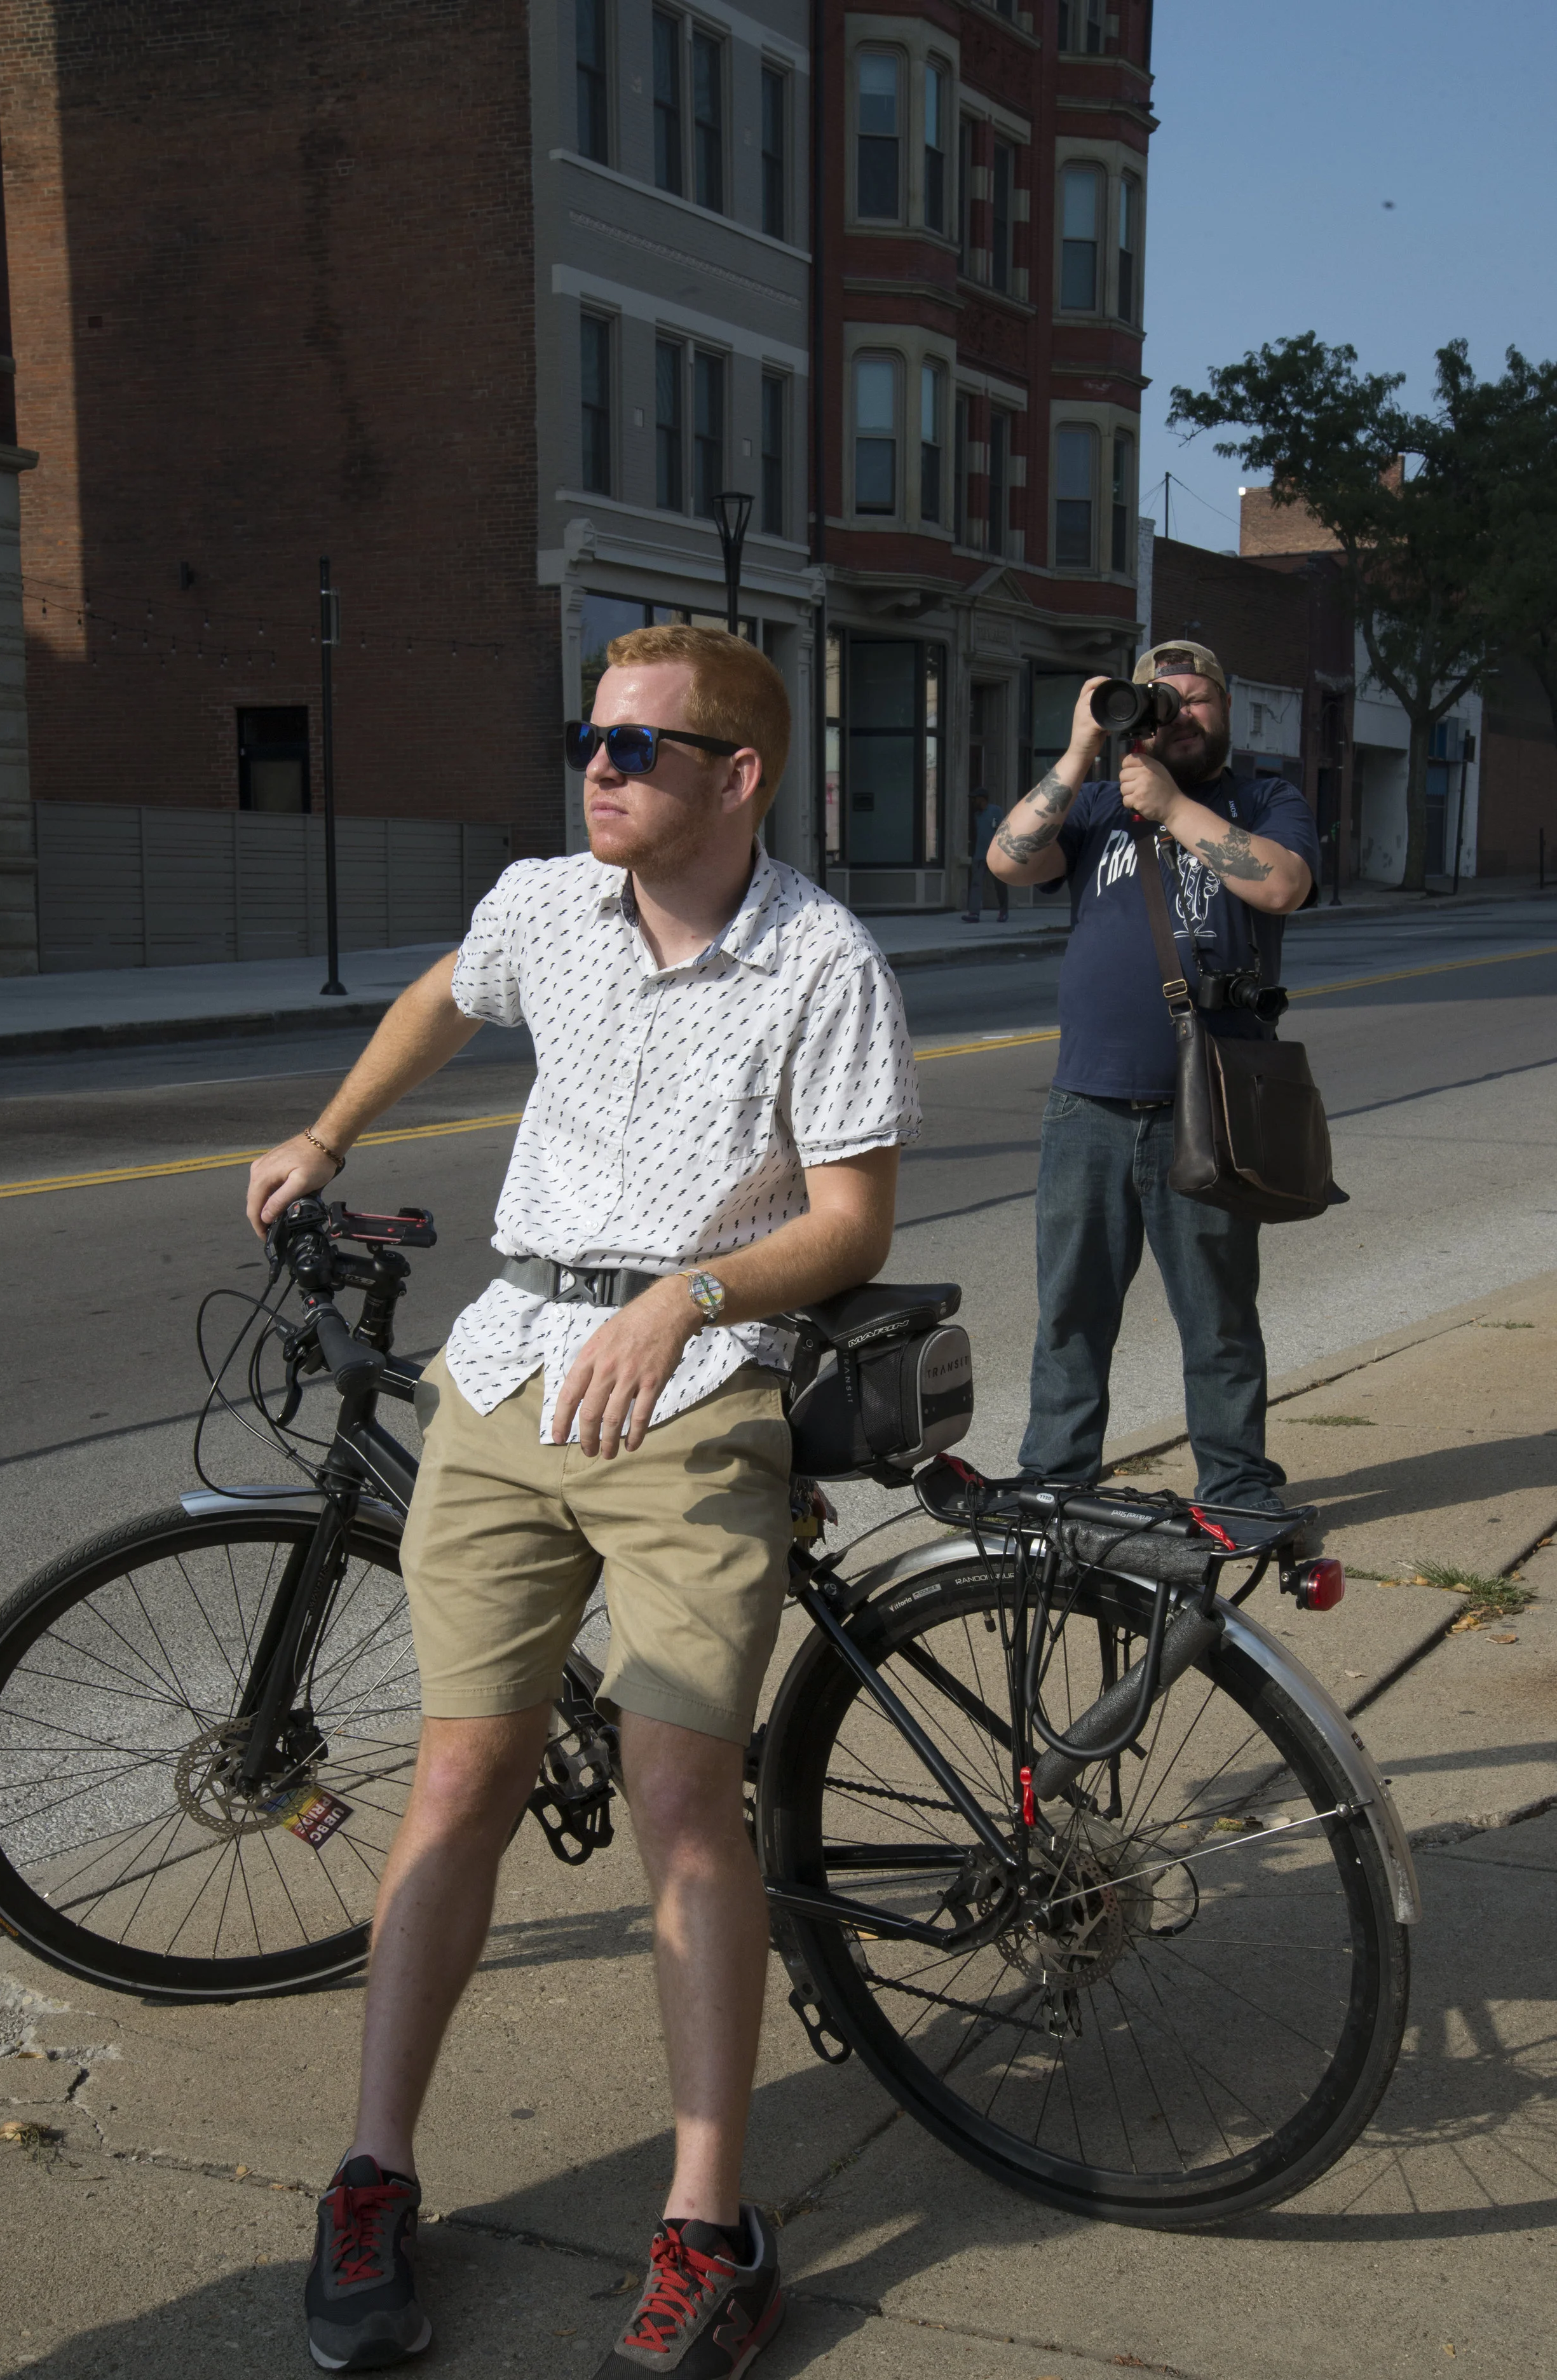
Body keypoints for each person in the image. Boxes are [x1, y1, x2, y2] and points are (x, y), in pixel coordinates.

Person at [244, 623, 920, 2377]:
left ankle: (709, 2224)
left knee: (677, 1790)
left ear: (736, 777)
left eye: (636, 746)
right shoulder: (546, 902)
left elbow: (850, 1221)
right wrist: (328, 1136)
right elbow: (436, 997)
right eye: (590, 736)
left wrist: (686, 1298)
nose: (599, 767)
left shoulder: (819, 959)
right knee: (456, 1774)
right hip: (503, 1367)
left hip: (694, 1389)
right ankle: (373, 2175)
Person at [987, 639, 1319, 1510]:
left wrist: (1171, 805)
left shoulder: (1263, 798)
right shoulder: (1096, 804)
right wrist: (1078, 750)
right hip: (1085, 1103)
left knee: (1217, 1320)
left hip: (1207, 1103)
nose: (1179, 711)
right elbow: (1010, 860)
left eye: (1199, 697)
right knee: (1070, 1311)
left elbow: (1282, 885)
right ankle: (1056, 1479)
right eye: (1160, 696)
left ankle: (1236, 1488)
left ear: (1226, 713)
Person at [962, 786, 1009, 921]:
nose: (973, 802)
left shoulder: (996, 811)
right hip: (980, 855)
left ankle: (1003, 911)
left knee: (1000, 885)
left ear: (982, 799)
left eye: (975, 799)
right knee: (976, 883)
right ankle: (974, 914)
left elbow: (1004, 830)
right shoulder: (976, 816)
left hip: (996, 856)